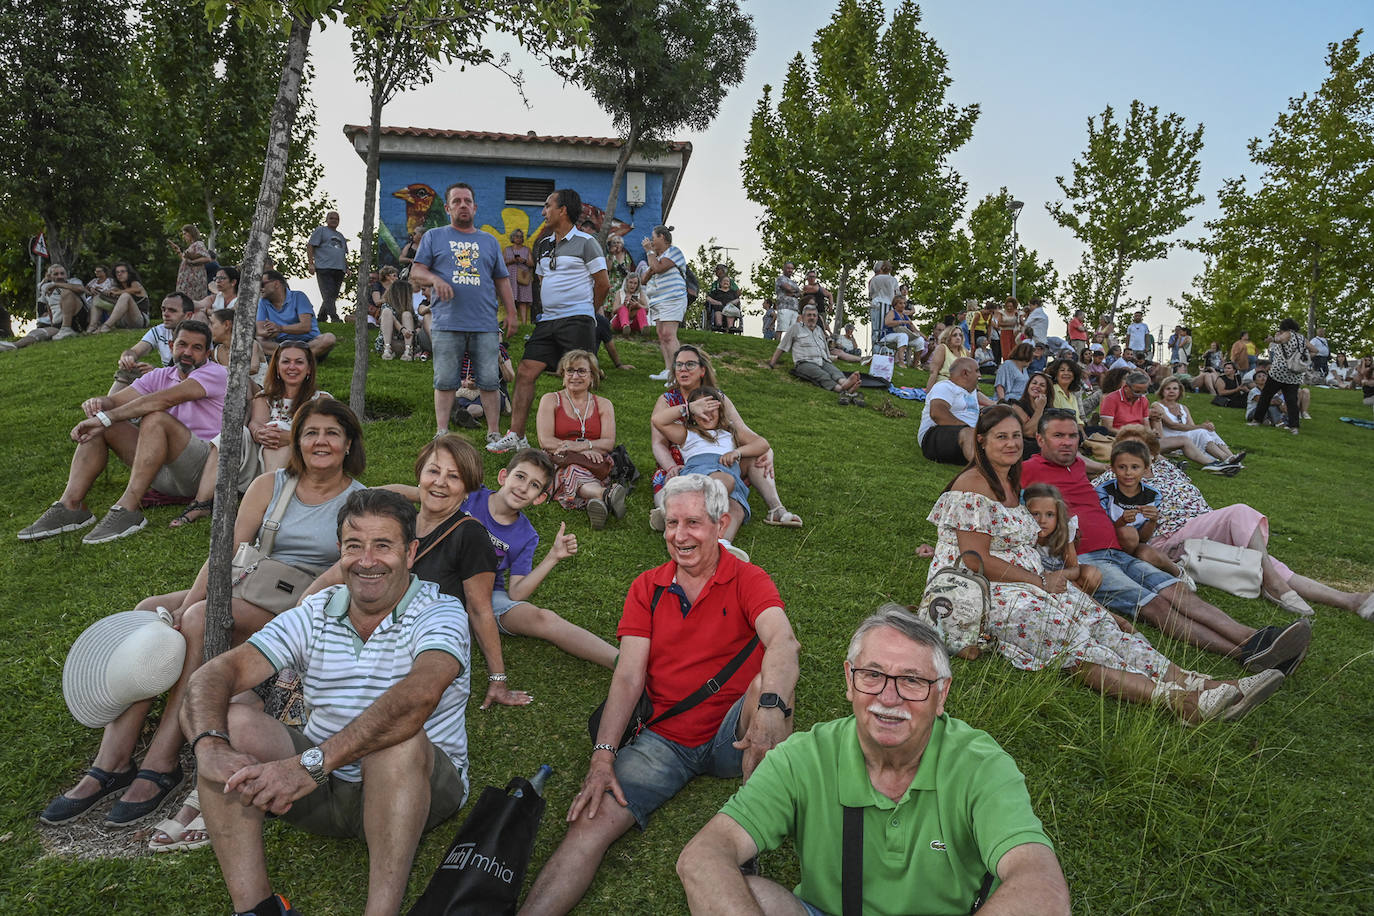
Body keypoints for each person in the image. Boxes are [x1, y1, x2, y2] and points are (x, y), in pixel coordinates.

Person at [39, 399, 365, 854]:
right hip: (247, 581)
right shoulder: (273, 484)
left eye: (332, 433)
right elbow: (224, 553)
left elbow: (348, 576)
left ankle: (162, 760)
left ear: (349, 443)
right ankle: (113, 757)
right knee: (152, 609)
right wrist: (188, 605)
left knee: (197, 619)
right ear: (297, 440)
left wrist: (196, 611)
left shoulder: (358, 500)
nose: (321, 442)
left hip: (298, 606)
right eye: (311, 433)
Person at [517, 474, 801, 916]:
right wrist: (603, 756)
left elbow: (783, 643)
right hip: (664, 738)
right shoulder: (647, 587)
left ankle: (756, 812)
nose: (679, 536)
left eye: (693, 523)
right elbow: (628, 676)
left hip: (735, 734)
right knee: (588, 827)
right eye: (672, 523)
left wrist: (769, 712)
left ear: (721, 524)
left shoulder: (748, 578)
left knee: (770, 688)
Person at [180, 489, 468, 916]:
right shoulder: (316, 610)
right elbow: (214, 675)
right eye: (355, 546)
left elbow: (418, 696)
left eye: (383, 546)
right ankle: (257, 910)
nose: (367, 560)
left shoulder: (440, 611)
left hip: (414, 787)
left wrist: (308, 765)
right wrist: (210, 747)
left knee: (398, 740)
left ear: (410, 553)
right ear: (339, 552)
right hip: (321, 788)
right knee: (231, 722)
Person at [678, 605, 1071, 916]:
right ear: (849, 680)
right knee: (750, 895)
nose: (888, 698)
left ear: (942, 694)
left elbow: (1041, 886)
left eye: (913, 680)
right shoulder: (805, 757)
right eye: (873, 675)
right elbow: (704, 854)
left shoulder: (980, 765)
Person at [927, 407, 1284, 722]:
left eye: (1016, 436)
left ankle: (1202, 682)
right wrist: (1041, 583)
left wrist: (1060, 569)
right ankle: (1180, 701)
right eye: (1001, 437)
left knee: (1109, 624)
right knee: (1072, 638)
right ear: (981, 441)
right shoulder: (972, 485)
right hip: (989, 590)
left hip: (1027, 578)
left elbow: (1018, 540)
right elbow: (979, 560)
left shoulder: (1008, 479)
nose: (1010, 443)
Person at [1021, 410, 1311, 670]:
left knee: (1178, 594)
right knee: (1156, 606)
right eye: (1058, 436)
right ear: (1039, 438)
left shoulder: (1078, 467)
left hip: (1122, 551)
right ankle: (1245, 651)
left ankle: (1254, 637)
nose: (1067, 442)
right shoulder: (1026, 470)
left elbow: (1107, 473)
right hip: (1085, 558)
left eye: (1072, 435)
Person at [1095, 424, 1374, 619]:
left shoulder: (1166, 467)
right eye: (1126, 450)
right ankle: (1275, 586)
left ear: (1153, 453)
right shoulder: (1111, 479)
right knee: (1240, 512)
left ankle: (1351, 601)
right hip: (1172, 539)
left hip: (1207, 525)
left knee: (1266, 561)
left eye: (1141, 449)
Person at [20, 320, 227, 544]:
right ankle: (71, 506)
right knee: (104, 426)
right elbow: (114, 401)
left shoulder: (215, 373)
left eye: (196, 348)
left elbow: (164, 399)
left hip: (201, 471)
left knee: (155, 418)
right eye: (182, 344)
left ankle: (127, 509)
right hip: (160, 469)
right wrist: (99, 404)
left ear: (207, 353)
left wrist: (106, 416)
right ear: (170, 345)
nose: (187, 352)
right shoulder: (160, 376)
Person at [461, 449, 619, 668]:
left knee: (544, 618)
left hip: (487, 595)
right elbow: (422, 497)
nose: (524, 488)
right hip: (444, 576)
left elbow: (516, 593)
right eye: (520, 476)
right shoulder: (471, 495)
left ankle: (621, 661)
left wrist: (552, 557)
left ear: (540, 498)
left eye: (534, 485)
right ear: (503, 476)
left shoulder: (526, 535)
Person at [489, 189, 609, 454]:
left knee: (577, 379)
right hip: (548, 322)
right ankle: (516, 436)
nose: (543, 212)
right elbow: (543, 281)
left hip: (577, 320)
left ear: (563, 210)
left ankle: (582, 442)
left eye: (547, 206)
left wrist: (588, 310)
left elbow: (603, 284)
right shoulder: (543, 245)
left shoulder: (588, 242)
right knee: (525, 372)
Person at [405, 183, 516, 443]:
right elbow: (416, 271)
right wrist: (435, 280)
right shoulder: (434, 236)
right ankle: (442, 432)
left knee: (489, 380)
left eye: (467, 200)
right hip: (447, 322)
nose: (462, 205)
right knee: (444, 380)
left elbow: (502, 280)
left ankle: (494, 434)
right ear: (447, 208)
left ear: (475, 207)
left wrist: (511, 313)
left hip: (485, 323)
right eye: (456, 201)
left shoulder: (489, 241)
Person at [649, 345, 779, 534]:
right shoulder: (667, 400)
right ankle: (672, 514)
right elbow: (658, 443)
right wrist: (671, 466)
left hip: (724, 460)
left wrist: (767, 451)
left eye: (690, 364)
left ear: (702, 370)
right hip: (677, 461)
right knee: (671, 481)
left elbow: (743, 432)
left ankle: (776, 508)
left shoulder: (717, 398)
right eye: (678, 365)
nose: (683, 369)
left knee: (756, 459)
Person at [654, 386, 801, 543]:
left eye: (712, 409)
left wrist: (737, 453)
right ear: (693, 416)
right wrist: (688, 407)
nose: (707, 414)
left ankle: (721, 545)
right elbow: (657, 420)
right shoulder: (687, 433)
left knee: (736, 510)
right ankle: (680, 518)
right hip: (699, 475)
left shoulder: (730, 433)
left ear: (720, 410)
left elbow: (762, 444)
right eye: (701, 410)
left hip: (729, 476)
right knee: (724, 480)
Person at [536, 350, 629, 530]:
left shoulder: (604, 404)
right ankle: (604, 494)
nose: (575, 376)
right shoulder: (550, 400)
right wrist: (580, 450)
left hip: (595, 461)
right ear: (563, 375)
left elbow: (608, 442)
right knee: (572, 469)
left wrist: (582, 447)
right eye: (570, 370)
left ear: (592, 376)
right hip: (558, 459)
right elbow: (545, 441)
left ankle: (596, 500)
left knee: (577, 468)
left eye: (581, 371)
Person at [767, 303, 864, 403]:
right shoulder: (795, 328)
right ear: (803, 316)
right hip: (805, 362)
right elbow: (781, 347)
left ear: (817, 317)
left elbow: (825, 350)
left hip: (822, 360)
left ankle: (845, 383)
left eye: (814, 315)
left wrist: (830, 358)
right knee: (822, 375)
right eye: (809, 315)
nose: (812, 318)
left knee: (834, 371)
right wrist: (771, 364)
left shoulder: (819, 330)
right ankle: (840, 389)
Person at [1023, 482, 1102, 595]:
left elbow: (1074, 569)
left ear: (1058, 516)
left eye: (1050, 514)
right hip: (1039, 578)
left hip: (1063, 574)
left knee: (1093, 574)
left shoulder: (1064, 531)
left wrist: (1059, 575)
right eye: (1035, 514)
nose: (1042, 520)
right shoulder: (1023, 535)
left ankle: (1080, 599)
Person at [1151, 378, 1244, 471]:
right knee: (1200, 431)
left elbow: (1191, 426)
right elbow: (1172, 425)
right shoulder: (1157, 405)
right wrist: (1201, 426)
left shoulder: (1183, 407)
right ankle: (1225, 458)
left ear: (1179, 391)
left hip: (1185, 435)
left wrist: (1206, 427)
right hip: (1171, 436)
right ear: (1162, 391)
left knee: (1207, 431)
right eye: (1168, 389)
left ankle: (1231, 457)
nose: (1171, 391)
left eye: (1175, 389)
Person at [919, 357, 995, 465]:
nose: (980, 375)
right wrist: (969, 428)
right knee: (969, 433)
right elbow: (937, 414)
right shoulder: (945, 387)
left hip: (964, 439)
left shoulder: (971, 392)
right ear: (965, 373)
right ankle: (986, 470)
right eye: (977, 371)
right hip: (933, 436)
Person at [1248, 318, 1315, 435]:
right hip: (1295, 374)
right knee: (1292, 400)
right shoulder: (1302, 338)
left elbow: (1280, 339)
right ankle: (1294, 427)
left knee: (1266, 396)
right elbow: (1315, 350)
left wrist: (1272, 339)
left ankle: (1256, 420)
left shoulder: (1287, 334)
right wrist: (1302, 359)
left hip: (1279, 372)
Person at [642, 225, 689, 380]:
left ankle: (679, 373)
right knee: (662, 336)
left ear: (662, 237)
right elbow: (644, 279)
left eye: (653, 238)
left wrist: (649, 252)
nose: (652, 242)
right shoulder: (656, 257)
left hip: (672, 298)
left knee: (669, 334)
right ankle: (669, 371)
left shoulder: (674, 252)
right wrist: (652, 259)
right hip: (658, 301)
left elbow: (658, 268)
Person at [256, 269, 336, 360]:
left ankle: (286, 357)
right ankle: (302, 357)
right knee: (258, 341)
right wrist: (270, 332)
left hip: (308, 341)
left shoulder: (299, 297)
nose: (260, 288)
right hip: (280, 343)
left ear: (276, 284)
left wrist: (279, 328)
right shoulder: (262, 302)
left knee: (329, 339)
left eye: (262, 284)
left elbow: (305, 327)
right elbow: (260, 331)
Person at [305, 209, 348, 322]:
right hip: (324, 267)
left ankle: (321, 317)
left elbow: (342, 253)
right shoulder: (321, 230)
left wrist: (347, 268)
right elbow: (310, 246)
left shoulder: (341, 236)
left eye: (336, 219)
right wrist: (311, 263)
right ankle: (334, 317)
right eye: (332, 218)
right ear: (327, 219)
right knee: (328, 294)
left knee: (333, 295)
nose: (334, 220)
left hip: (339, 269)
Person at [90, 261, 151, 332]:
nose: (120, 274)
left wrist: (118, 292)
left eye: (123, 272)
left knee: (125, 296)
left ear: (128, 273)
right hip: (123, 320)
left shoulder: (135, 283)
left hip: (139, 320)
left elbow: (136, 290)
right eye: (117, 272)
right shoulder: (117, 287)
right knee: (97, 298)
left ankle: (106, 326)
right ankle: (91, 327)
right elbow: (108, 292)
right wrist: (95, 289)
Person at [376, 278, 420, 361]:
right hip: (390, 340)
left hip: (405, 341)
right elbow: (385, 318)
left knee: (406, 314)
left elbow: (417, 325)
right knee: (386, 312)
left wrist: (414, 332)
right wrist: (402, 329)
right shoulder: (387, 305)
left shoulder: (409, 308)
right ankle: (387, 348)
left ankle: (408, 350)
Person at [1098, 370, 1152, 434]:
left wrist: (1149, 434)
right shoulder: (1111, 399)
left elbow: (1146, 426)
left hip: (1139, 435)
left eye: (1144, 392)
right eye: (1137, 392)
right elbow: (1107, 428)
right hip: (1118, 436)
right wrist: (1131, 434)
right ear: (1126, 387)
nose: (1140, 395)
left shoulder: (1144, 399)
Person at [168, 224, 212, 300]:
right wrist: (178, 251)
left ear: (191, 233)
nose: (184, 236)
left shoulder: (198, 244)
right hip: (187, 282)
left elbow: (207, 258)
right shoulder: (192, 246)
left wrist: (193, 262)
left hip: (193, 281)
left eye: (185, 234)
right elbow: (185, 261)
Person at [878, 295, 924, 368]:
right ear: (895, 305)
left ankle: (915, 364)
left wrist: (924, 337)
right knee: (903, 335)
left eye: (904, 303)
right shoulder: (892, 313)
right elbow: (887, 322)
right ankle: (901, 362)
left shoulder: (905, 316)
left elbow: (915, 329)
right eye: (900, 303)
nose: (903, 305)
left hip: (903, 338)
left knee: (920, 341)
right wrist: (902, 322)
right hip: (888, 336)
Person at [504, 227, 535, 325]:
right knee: (511, 300)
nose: (519, 238)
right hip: (510, 278)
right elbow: (502, 263)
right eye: (517, 236)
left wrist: (524, 261)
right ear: (512, 237)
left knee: (523, 301)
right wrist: (512, 261)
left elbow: (532, 264)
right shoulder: (507, 250)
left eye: (521, 237)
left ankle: (524, 323)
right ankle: (512, 322)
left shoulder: (526, 250)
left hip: (523, 277)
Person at [774, 262, 802, 337]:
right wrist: (795, 292)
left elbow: (800, 293)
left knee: (793, 330)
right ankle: (776, 345)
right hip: (784, 307)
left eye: (792, 268)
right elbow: (788, 288)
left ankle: (790, 347)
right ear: (784, 269)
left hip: (794, 308)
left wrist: (792, 293)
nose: (790, 270)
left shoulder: (793, 282)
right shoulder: (780, 279)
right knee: (781, 328)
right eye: (788, 268)